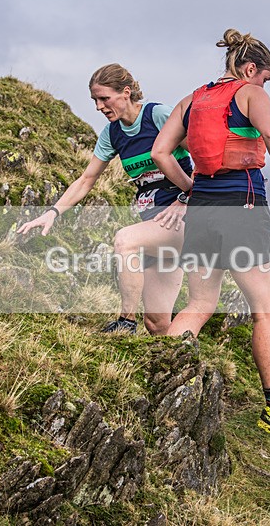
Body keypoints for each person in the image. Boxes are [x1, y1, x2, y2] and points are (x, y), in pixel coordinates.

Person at [151, 28, 270, 445]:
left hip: (204, 207)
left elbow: (159, 152)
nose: (264, 86)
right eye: (265, 78)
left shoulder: (192, 99)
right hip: (242, 203)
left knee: (200, 304)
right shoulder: (250, 93)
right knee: (267, 311)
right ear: (249, 68)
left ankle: (149, 380)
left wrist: (191, 188)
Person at [17, 64, 192, 335]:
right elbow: (86, 180)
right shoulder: (112, 134)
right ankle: (185, 364)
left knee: (125, 240)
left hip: (186, 217)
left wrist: (184, 199)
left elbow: (205, 156)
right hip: (155, 226)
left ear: (125, 93)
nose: (99, 107)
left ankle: (125, 322)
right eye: (94, 101)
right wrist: (52, 212)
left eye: (104, 99)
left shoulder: (157, 115)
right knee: (157, 323)